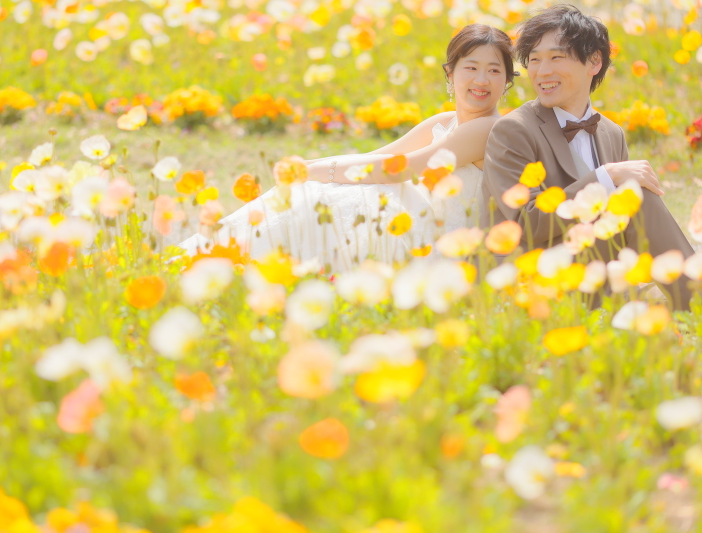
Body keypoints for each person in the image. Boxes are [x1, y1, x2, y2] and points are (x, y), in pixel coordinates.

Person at [180, 24, 516, 272]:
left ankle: (217, 257)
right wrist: (309, 167)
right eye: (471, 68)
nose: (481, 80)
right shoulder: (444, 121)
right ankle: (217, 254)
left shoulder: (489, 129)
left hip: (437, 247)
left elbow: (401, 168)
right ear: (450, 73)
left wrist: (313, 170)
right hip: (412, 221)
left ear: (507, 82)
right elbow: (376, 158)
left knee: (328, 197)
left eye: (494, 70)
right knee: (318, 192)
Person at [480, 4, 695, 310]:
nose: (542, 72)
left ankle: (683, 297)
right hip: (536, 277)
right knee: (636, 197)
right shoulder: (514, 130)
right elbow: (524, 223)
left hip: (599, 271)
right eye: (535, 61)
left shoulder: (612, 132)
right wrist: (605, 177)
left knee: (634, 197)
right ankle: (695, 303)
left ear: (594, 61)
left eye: (556, 57)